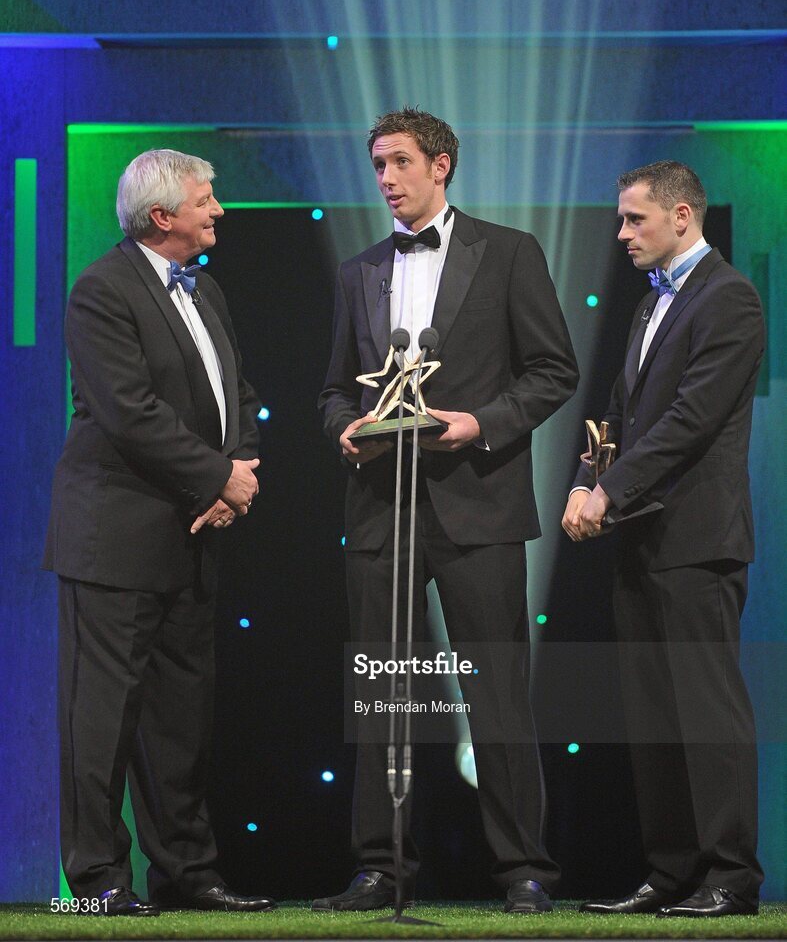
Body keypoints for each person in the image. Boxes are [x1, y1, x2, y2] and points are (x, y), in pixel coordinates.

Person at [317, 108, 578, 913]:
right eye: (377, 166)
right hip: (379, 508)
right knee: (381, 688)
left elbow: (551, 370)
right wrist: (344, 429)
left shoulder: (507, 253)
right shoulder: (361, 269)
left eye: (398, 163)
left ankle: (523, 869)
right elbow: (332, 389)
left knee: (493, 689)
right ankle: (378, 867)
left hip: (479, 504)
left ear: (441, 165)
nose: (387, 179)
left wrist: (480, 423)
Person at [44, 149, 275, 916]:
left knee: (181, 718)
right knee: (103, 717)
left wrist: (239, 469)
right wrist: (218, 476)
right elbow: (129, 412)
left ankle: (187, 874)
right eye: (206, 201)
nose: (219, 212)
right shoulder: (102, 290)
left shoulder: (204, 289)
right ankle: (98, 882)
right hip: (115, 536)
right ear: (162, 216)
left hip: (193, 534)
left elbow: (235, 391)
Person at [562, 161, 764, 917]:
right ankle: (671, 870)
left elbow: (689, 420)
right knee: (650, 713)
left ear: (682, 217)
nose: (620, 234)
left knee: (706, 711)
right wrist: (586, 479)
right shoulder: (651, 308)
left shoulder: (729, 297)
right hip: (639, 537)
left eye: (633, 219)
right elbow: (613, 417)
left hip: (696, 539)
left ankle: (729, 877)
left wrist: (609, 489)